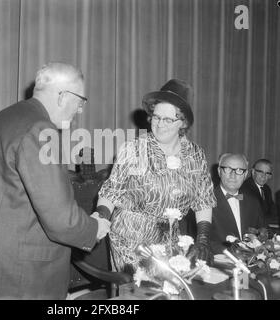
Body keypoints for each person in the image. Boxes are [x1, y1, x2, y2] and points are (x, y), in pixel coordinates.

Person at [0, 62, 111, 299]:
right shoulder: (42, 131)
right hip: (15, 281)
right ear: (63, 97)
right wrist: (94, 228)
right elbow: (62, 221)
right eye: (80, 101)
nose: (80, 110)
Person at [95, 79, 217, 274]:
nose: (160, 124)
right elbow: (111, 192)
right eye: (156, 117)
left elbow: (204, 200)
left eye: (168, 119)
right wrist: (100, 217)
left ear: (183, 122)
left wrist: (203, 239)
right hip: (131, 238)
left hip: (170, 237)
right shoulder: (133, 149)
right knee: (142, 291)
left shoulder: (196, 154)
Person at [210, 153, 264, 254]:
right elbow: (200, 241)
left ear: (245, 174)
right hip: (218, 264)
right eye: (227, 169)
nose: (233, 175)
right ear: (219, 171)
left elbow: (261, 233)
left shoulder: (254, 202)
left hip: (250, 263)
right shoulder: (205, 201)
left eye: (239, 170)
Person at [241, 159, 278, 226]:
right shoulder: (245, 188)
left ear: (270, 176)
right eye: (260, 172)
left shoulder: (266, 188)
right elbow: (255, 217)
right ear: (253, 172)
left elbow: (273, 211)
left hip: (265, 227)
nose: (263, 176)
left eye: (267, 173)